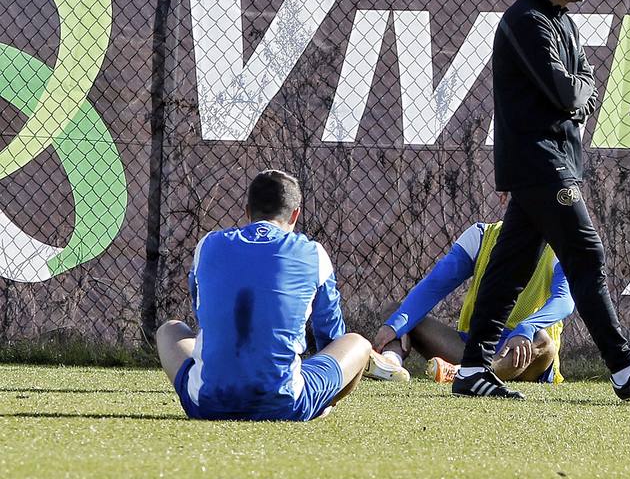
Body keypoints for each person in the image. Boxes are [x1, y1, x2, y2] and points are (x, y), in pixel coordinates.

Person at [449, 0, 630, 400]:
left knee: (510, 268)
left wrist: (579, 91)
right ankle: (623, 368)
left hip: (554, 161)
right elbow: (571, 92)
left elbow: (582, 90)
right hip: (542, 162)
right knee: (587, 255)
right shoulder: (526, 21)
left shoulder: (564, 25)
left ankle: (472, 369)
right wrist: (579, 91)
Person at [154, 169, 373, 421]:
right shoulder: (313, 253)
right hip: (284, 403)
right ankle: (320, 408)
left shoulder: (208, 244)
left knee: (169, 330)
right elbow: (331, 337)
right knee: (357, 343)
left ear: (247, 211)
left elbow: (201, 312)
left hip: (206, 404)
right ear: (295, 214)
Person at [367, 220, 573, 384]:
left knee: (544, 340)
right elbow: (435, 284)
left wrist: (527, 327)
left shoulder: (559, 245)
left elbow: (564, 300)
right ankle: (390, 364)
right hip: (473, 349)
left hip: (526, 356)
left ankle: (465, 375)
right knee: (396, 312)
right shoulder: (482, 235)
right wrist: (396, 325)